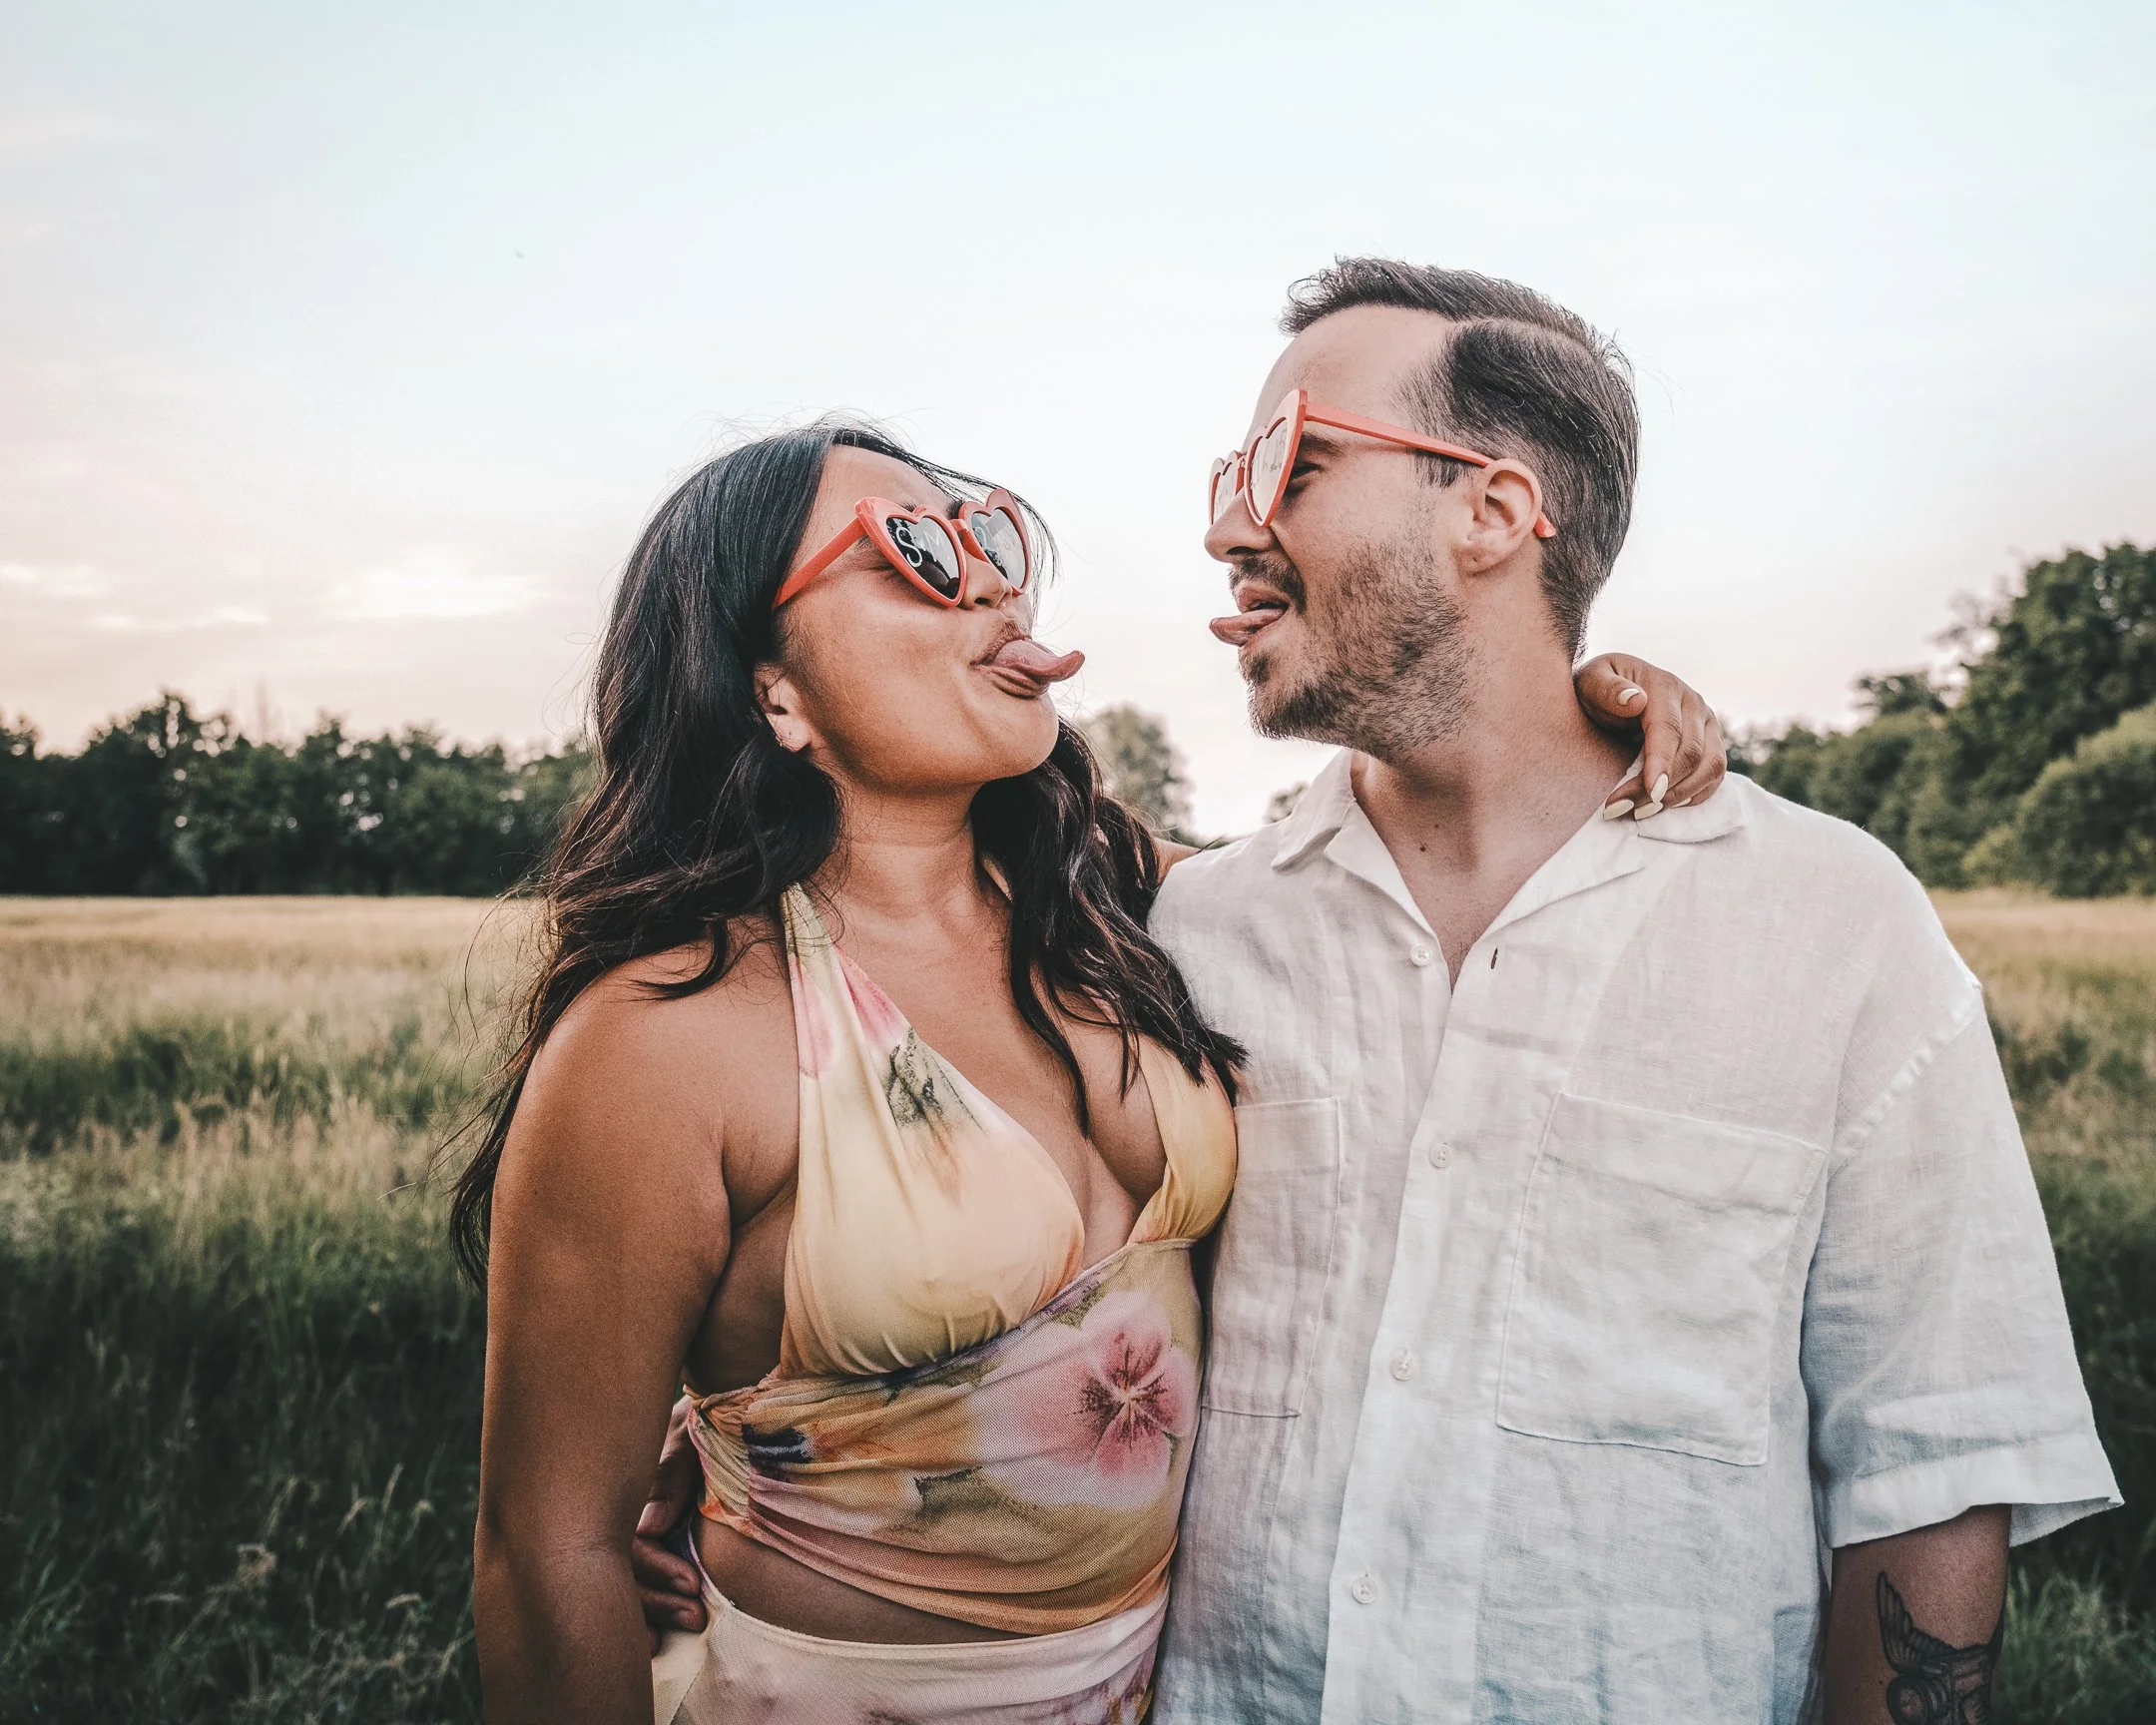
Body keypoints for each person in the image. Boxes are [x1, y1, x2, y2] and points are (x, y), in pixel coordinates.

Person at [461, 418, 1722, 1725]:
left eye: (992, 537)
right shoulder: (669, 1036)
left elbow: (1405, 870)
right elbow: (547, 1553)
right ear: (771, 686)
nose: (998, 582)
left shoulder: (1123, 903)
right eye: (917, 551)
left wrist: (1562, 714)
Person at [1141, 261, 2118, 1723]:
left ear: (1493, 509)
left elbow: (1931, 1473)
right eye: (1232, 471)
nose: (1229, 522)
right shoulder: (1189, 929)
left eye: (1293, 458)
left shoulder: (1836, 925)